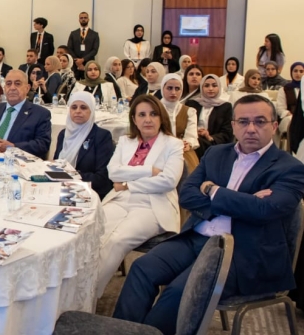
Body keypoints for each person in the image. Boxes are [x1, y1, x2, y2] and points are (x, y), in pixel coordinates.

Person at [113, 95, 304, 335]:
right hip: (197, 237)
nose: (251, 128)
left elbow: (265, 210)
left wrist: (213, 190)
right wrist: (245, 202)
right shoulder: (216, 154)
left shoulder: (290, 168)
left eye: (260, 121)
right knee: (142, 268)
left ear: (274, 126)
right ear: (233, 125)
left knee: (180, 291)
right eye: (243, 121)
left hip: (243, 252)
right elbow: (187, 195)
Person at [97, 94, 185, 298]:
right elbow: (113, 172)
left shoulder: (173, 144)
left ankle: (89, 295)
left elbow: (168, 181)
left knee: (117, 240)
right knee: (94, 234)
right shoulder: (125, 141)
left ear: (161, 117)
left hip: (153, 205)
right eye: (142, 115)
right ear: (134, 119)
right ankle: (78, 289)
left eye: (153, 114)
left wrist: (128, 184)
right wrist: (149, 170)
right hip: (120, 199)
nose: (148, 119)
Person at [0, 69, 52, 158]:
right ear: (4, 88)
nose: (12, 88)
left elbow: (43, 144)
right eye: (8, 84)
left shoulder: (40, 114)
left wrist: (12, 147)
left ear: (27, 88)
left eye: (17, 84)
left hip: (16, 161)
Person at [53, 92, 115, 200]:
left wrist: (71, 175)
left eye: (83, 107)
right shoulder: (63, 134)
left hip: (89, 193)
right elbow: (55, 166)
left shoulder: (101, 136)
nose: (78, 111)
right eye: (74, 107)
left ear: (91, 110)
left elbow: (102, 178)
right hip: (60, 188)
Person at [185, 74, 233, 158]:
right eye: (206, 86)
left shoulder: (225, 106)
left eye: (214, 85)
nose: (210, 88)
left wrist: (208, 136)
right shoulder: (192, 103)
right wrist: (195, 131)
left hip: (214, 144)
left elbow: (227, 133)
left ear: (219, 87)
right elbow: (184, 125)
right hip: (193, 140)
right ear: (201, 87)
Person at [160, 73, 200, 168]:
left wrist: (187, 144)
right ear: (162, 89)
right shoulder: (154, 109)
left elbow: (191, 135)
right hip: (159, 149)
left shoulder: (189, 111)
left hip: (182, 150)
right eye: (169, 88)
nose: (173, 92)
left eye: (177, 89)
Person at [66, 12, 99, 78]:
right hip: (75, 64)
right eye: (81, 18)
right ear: (79, 20)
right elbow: (69, 48)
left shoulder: (94, 34)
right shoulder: (73, 33)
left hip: (89, 64)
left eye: (85, 18)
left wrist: (83, 59)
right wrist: (77, 61)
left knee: (88, 82)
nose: (83, 19)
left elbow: (94, 50)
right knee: (75, 82)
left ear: (88, 19)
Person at [277, 62, 304, 144]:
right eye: (295, 71)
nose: (298, 74)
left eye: (301, 71)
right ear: (291, 72)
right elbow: (280, 108)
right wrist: (290, 115)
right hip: (289, 117)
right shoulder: (284, 89)